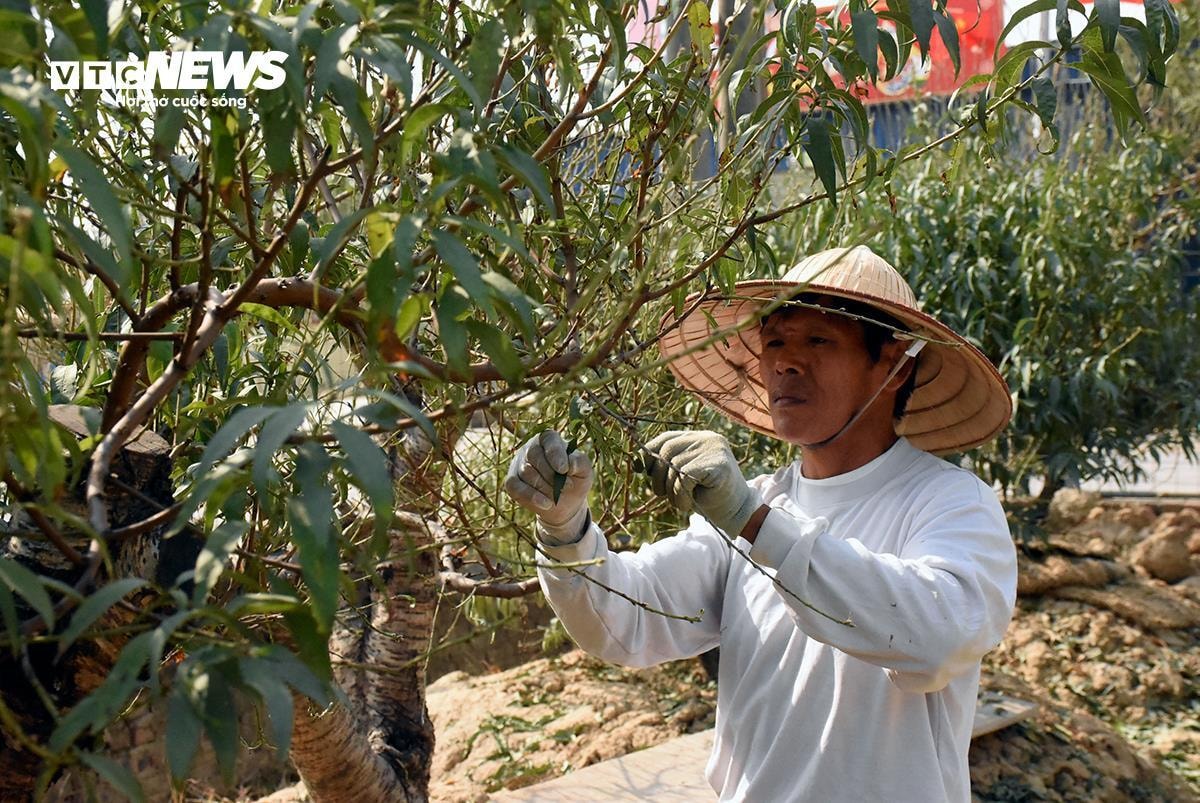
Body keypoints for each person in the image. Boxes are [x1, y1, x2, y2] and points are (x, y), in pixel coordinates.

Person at [504, 245, 1018, 802]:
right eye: (775, 341)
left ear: (895, 366)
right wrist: (565, 530)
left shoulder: (951, 505)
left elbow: (935, 638)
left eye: (819, 341)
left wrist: (754, 521)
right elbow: (625, 622)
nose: (785, 363)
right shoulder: (757, 505)